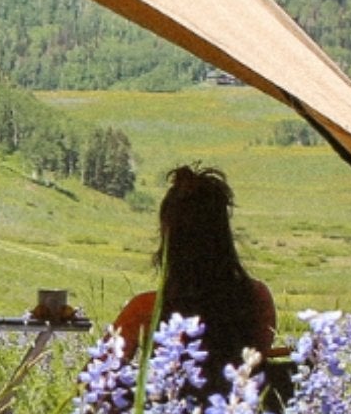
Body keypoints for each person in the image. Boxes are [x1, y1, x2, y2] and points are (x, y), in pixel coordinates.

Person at [112, 163, 278, 395]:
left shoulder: (146, 309)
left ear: (168, 239)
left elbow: (99, 379)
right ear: (223, 235)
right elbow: (254, 367)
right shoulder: (257, 299)